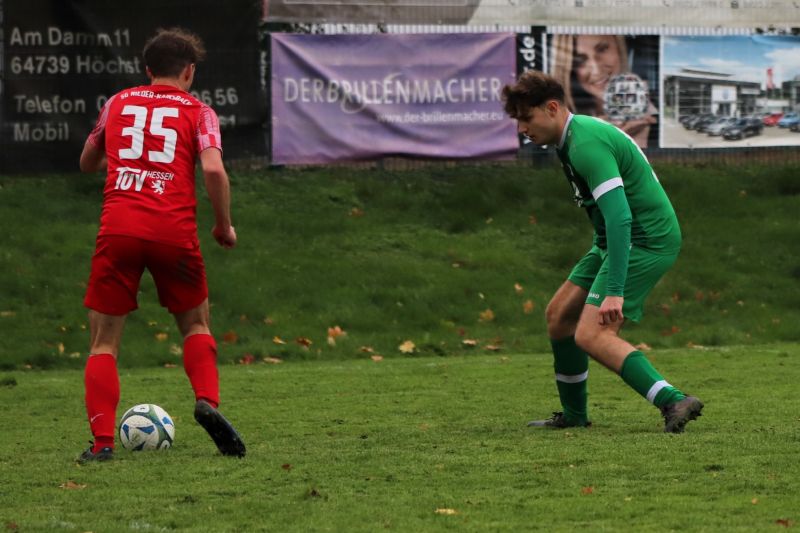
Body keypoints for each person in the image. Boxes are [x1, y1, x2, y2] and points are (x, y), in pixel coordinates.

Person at [77, 28, 245, 461]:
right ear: (189, 71)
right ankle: (206, 401)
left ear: (147, 69)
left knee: (103, 342)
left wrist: (120, 158)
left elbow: (87, 162)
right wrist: (223, 225)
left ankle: (102, 444)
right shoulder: (199, 112)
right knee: (196, 325)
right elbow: (213, 170)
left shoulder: (118, 102)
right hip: (173, 231)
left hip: (119, 230)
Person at [501, 70, 703, 433]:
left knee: (592, 335)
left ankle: (673, 400)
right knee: (559, 316)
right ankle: (574, 415)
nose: (522, 129)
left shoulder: (585, 144)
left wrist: (614, 291)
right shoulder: (572, 139)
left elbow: (621, 217)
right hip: (613, 239)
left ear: (552, 108)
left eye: (527, 118)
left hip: (644, 240)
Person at [550, 34, 657, 148]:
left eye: (602, 49)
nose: (596, 70)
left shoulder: (654, 119)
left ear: (619, 47)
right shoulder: (560, 128)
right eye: (580, 60)